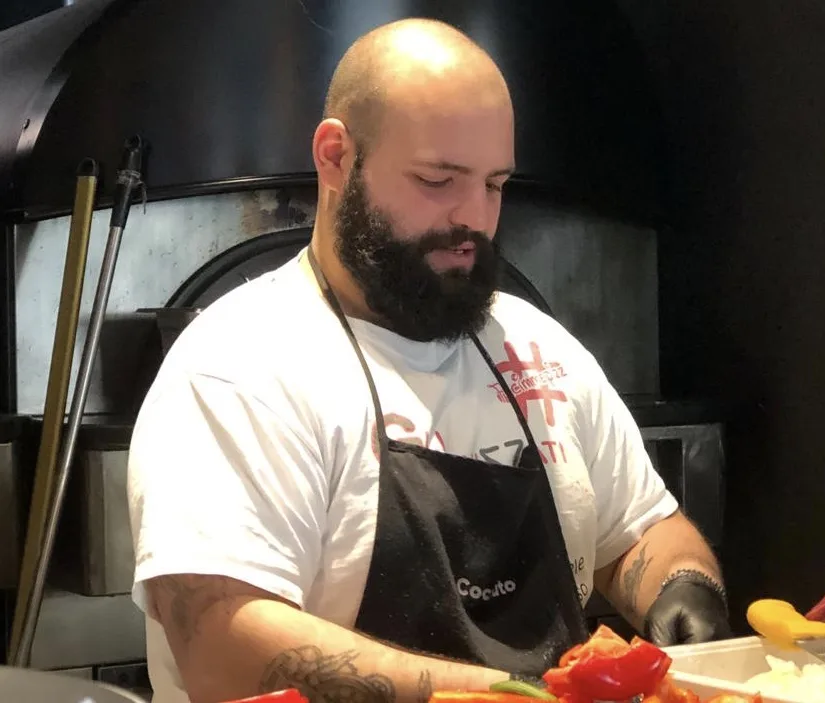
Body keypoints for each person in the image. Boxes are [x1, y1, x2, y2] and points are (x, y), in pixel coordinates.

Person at [127, 17, 731, 703]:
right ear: (335, 158)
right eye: (438, 180)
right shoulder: (240, 365)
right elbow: (222, 646)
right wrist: (510, 692)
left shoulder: (536, 347)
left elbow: (640, 528)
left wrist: (683, 581)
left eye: (495, 184)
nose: (473, 217)